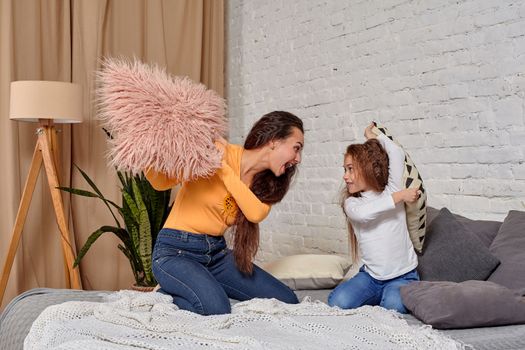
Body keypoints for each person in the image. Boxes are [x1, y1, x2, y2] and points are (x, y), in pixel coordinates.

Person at [146, 111, 304, 315]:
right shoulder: (220, 151)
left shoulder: (267, 183)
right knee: (216, 308)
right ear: (274, 141)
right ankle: (166, 294)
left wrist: (222, 168)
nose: (298, 159)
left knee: (287, 301)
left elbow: (255, 213)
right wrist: (147, 149)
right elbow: (160, 183)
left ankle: (193, 286)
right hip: (176, 251)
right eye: (296, 148)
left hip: (216, 255)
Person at [327, 123, 420, 314]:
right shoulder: (352, 204)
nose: (345, 176)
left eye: (350, 169)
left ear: (366, 167)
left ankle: (387, 295)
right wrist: (400, 196)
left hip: (403, 276)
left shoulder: (391, 188)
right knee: (337, 302)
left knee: (392, 308)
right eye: (345, 170)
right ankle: (377, 295)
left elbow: (396, 152)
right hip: (371, 277)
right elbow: (366, 213)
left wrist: (372, 138)